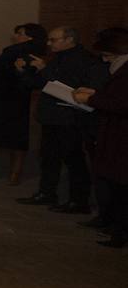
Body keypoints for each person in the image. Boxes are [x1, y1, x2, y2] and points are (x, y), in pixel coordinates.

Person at [16, 26, 108, 214]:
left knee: (73, 158)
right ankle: (47, 192)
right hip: (51, 116)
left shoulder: (85, 60)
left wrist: (44, 70)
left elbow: (69, 86)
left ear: (69, 40)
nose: (49, 44)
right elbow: (40, 84)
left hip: (70, 117)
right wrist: (23, 72)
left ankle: (78, 200)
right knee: (49, 157)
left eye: (53, 40)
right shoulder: (58, 58)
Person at [74, 28, 128, 247]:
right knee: (115, 184)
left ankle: (120, 232)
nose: (105, 61)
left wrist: (92, 100)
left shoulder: (125, 72)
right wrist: (96, 95)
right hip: (115, 133)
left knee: (120, 186)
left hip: (121, 136)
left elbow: (122, 104)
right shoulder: (121, 70)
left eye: (107, 56)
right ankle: (115, 226)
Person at [0, 23, 46, 184]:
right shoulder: (21, 51)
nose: (15, 36)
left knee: (6, 137)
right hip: (12, 98)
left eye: (19, 33)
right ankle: (9, 173)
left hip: (9, 97)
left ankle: (0, 172)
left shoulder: (19, 52)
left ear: (30, 37)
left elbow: (3, 72)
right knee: (5, 137)